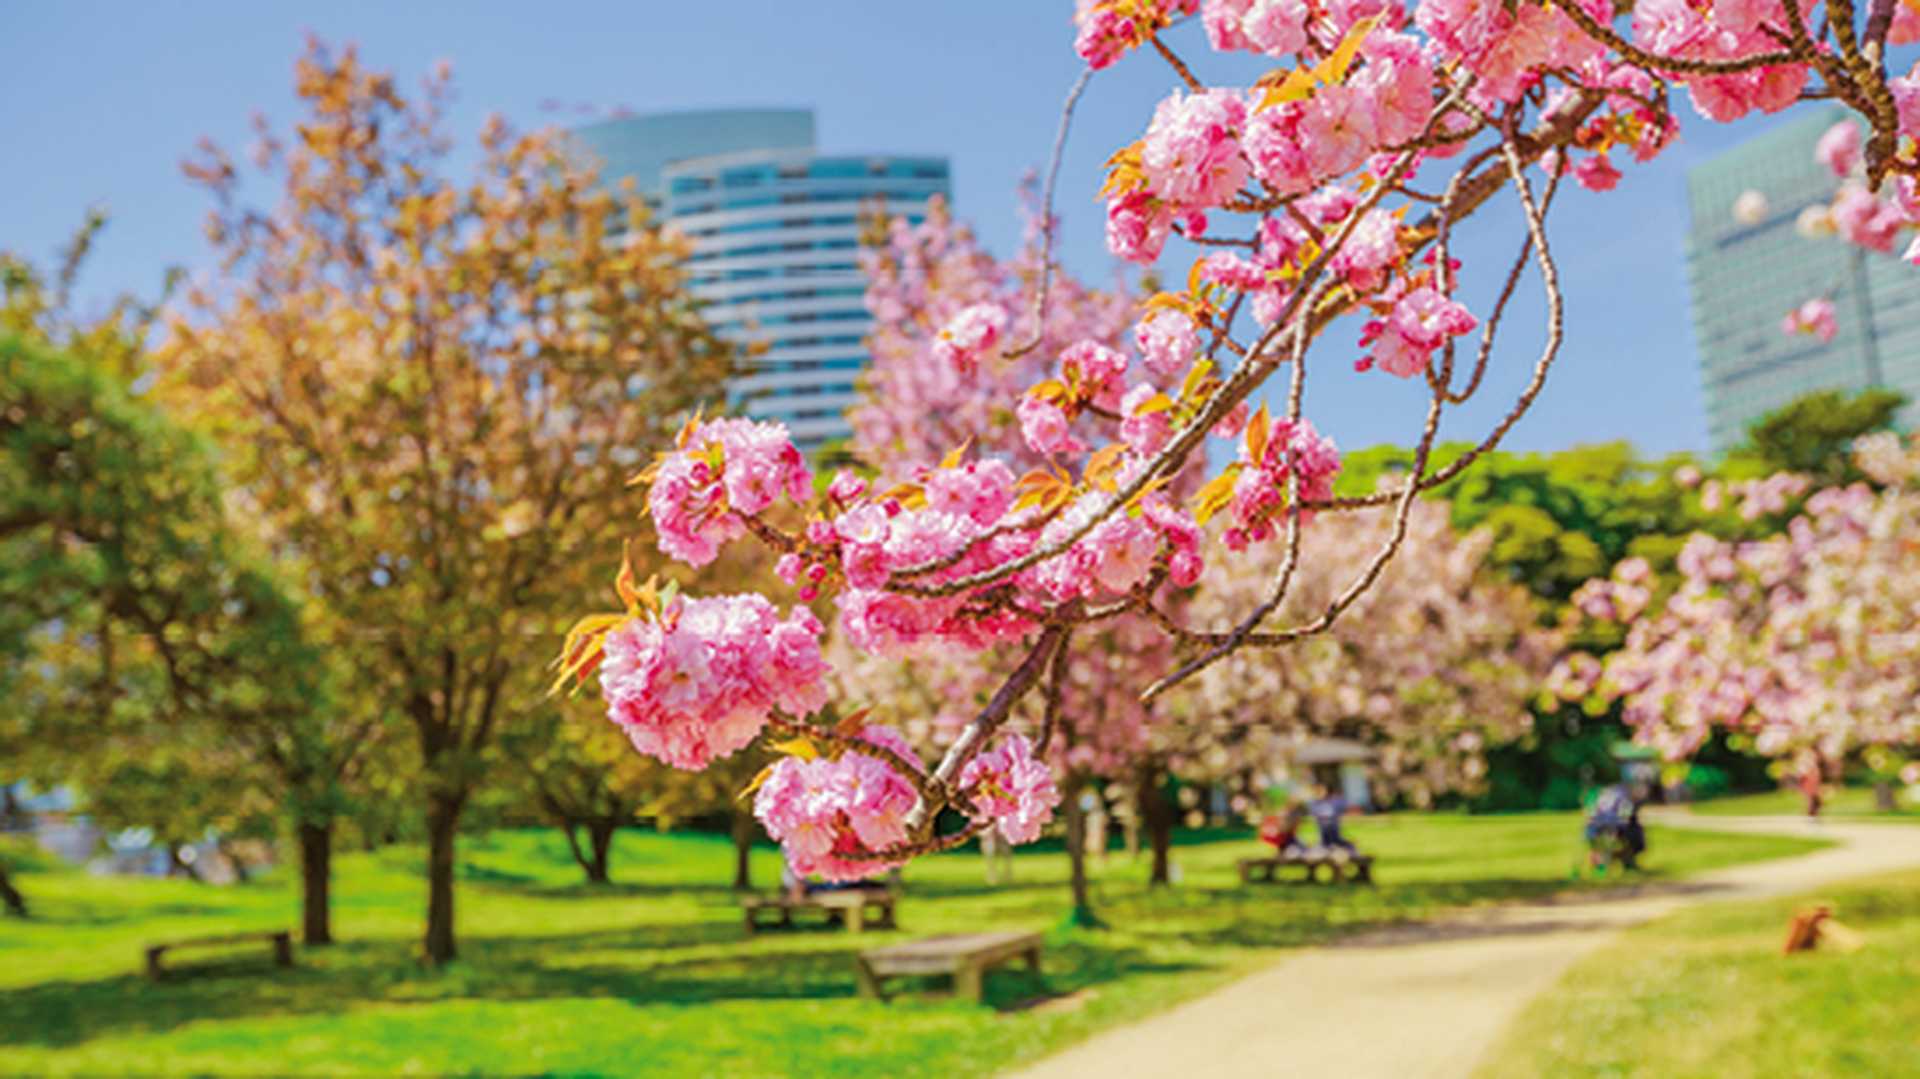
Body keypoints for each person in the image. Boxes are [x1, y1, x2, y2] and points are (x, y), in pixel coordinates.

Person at [1585, 782, 1646, 870]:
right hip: (1614, 825)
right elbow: (1624, 817)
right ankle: (1625, 860)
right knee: (1635, 833)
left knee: (1596, 843)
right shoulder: (1625, 795)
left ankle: (1599, 864)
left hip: (1594, 826)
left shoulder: (1599, 793)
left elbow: (1589, 813)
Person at [1308, 785, 1356, 855]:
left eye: (1321, 791)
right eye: (1317, 792)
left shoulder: (1334, 802)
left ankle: (1353, 854)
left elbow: (1348, 807)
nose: (1319, 793)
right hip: (1325, 838)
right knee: (1325, 846)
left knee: (1347, 845)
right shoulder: (1314, 804)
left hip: (1335, 836)